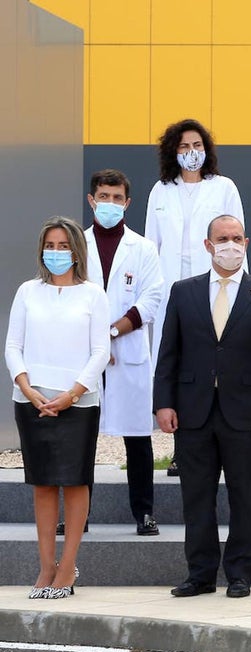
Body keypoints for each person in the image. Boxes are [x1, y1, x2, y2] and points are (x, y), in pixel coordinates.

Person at [154, 215, 251, 600]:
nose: (230, 245)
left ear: (246, 243)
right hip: (193, 411)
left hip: (246, 414)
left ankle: (241, 574)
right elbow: (169, 352)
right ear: (208, 245)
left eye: (236, 238)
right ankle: (199, 574)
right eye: (222, 238)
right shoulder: (184, 292)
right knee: (196, 497)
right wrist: (163, 403)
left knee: (244, 496)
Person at [5, 217, 110, 599]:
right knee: (44, 483)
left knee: (76, 481)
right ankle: (46, 567)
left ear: (77, 251)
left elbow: (101, 351)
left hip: (78, 402)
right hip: (31, 401)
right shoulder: (27, 292)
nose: (56, 252)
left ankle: (67, 568)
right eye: (50, 245)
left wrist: (72, 394)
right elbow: (13, 346)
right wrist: (27, 388)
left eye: (64, 246)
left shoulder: (93, 295)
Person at [145, 118, 245, 477]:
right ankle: (180, 449)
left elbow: (237, 242)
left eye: (197, 145)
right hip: (170, 290)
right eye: (184, 146)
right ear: (173, 151)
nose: (191, 152)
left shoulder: (224, 187)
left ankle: (220, 445)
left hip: (214, 286)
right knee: (174, 364)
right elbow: (151, 246)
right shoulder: (161, 191)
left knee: (209, 362)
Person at [83, 170, 165, 536]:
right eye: (104, 197)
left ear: (127, 203)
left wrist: (111, 333)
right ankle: (78, 515)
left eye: (117, 198)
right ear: (91, 200)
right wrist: (96, 342)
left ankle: (144, 513)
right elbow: (70, 297)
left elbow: (152, 299)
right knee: (80, 440)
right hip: (84, 354)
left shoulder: (143, 248)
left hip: (127, 352)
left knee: (137, 439)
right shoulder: (76, 244)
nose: (110, 204)